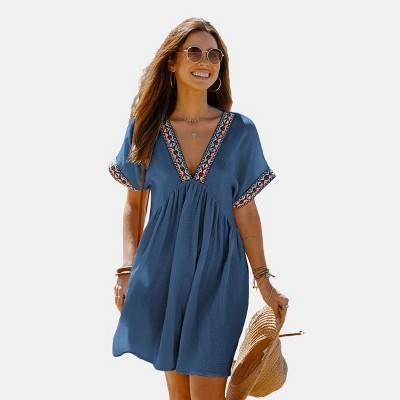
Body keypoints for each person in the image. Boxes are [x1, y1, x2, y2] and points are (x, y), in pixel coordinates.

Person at [108, 17, 289, 400]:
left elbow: (246, 210)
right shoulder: (144, 129)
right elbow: (133, 205)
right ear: (172, 61)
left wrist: (264, 280)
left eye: (213, 54)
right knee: (180, 396)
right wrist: (126, 270)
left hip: (221, 274)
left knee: (206, 390)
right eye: (194, 52)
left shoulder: (241, 131)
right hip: (162, 271)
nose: (204, 61)